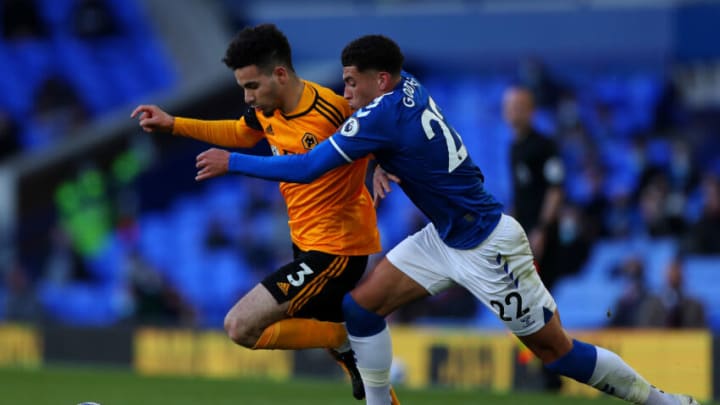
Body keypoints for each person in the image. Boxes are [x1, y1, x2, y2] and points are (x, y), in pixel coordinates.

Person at [193, 35, 700, 405]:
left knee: (557, 354)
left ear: (380, 80)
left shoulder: (380, 114)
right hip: (442, 236)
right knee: (361, 310)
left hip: (487, 245)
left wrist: (231, 159)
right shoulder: (408, 90)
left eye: (352, 83)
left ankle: (662, 402)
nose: (346, 95)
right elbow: (391, 138)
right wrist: (379, 163)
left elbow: (307, 166)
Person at [131, 24, 382, 401]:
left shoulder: (331, 109)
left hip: (338, 250)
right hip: (306, 244)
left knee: (240, 326)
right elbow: (240, 131)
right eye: (242, 88)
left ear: (279, 74)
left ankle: (341, 337)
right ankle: (343, 342)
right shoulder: (269, 109)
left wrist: (389, 164)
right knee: (373, 385)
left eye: (252, 86)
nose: (248, 97)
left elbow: (360, 140)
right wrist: (173, 124)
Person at [504, 85, 567, 293]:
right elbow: (519, 193)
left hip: (542, 234)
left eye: (519, 106)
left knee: (539, 292)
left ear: (532, 110)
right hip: (522, 232)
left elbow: (555, 189)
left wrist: (542, 228)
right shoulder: (514, 148)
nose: (513, 111)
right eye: (510, 107)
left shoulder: (545, 145)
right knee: (518, 290)